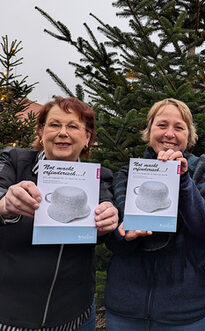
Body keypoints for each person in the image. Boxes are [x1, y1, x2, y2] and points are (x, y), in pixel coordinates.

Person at [104, 98, 205, 330]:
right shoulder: (129, 173)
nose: (169, 134)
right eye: (162, 125)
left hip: (187, 312)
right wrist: (122, 236)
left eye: (179, 127)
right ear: (149, 130)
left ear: (189, 135)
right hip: (126, 311)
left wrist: (183, 180)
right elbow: (114, 240)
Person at [0, 96, 118, 330]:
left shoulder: (99, 177)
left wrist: (109, 218)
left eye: (73, 126)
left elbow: (103, 225)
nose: (63, 133)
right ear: (42, 131)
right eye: (54, 125)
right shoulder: (13, 161)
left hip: (74, 317)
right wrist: (4, 205)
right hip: (8, 316)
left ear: (87, 138)